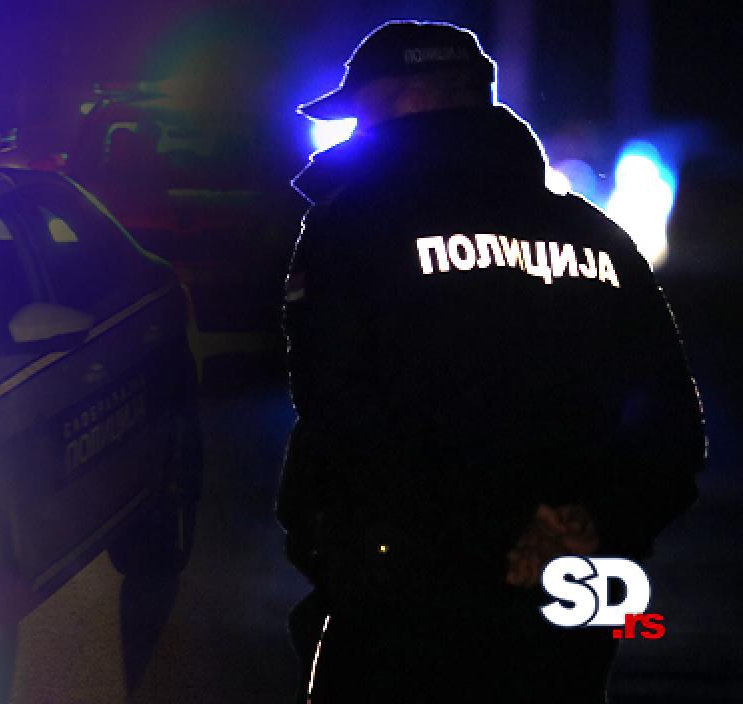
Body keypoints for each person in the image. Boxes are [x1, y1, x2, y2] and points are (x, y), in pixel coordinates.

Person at [278, 20, 705, 703]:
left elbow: (338, 409)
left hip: (409, 587)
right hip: (570, 574)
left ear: (414, 100)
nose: (359, 131)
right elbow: (669, 423)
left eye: (366, 111)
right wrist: (596, 526)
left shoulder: (353, 226)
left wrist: (391, 542)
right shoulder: (597, 236)